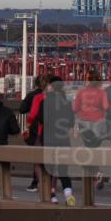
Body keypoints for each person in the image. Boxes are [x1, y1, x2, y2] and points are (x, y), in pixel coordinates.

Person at [28, 76, 77, 206]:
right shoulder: (67, 103)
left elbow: (41, 119)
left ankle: (52, 197)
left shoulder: (45, 102)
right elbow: (71, 122)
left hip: (48, 139)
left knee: (49, 169)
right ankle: (68, 195)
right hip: (63, 139)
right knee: (63, 170)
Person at [73, 71, 110, 189]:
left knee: (88, 149)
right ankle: (96, 173)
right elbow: (106, 107)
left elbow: (74, 108)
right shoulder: (102, 92)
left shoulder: (80, 92)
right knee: (95, 149)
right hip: (98, 123)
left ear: (88, 80)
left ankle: (95, 173)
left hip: (84, 124)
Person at [19, 75, 46, 192]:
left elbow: (22, 109)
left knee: (37, 156)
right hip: (52, 129)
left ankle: (36, 182)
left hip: (36, 129)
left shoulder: (32, 96)